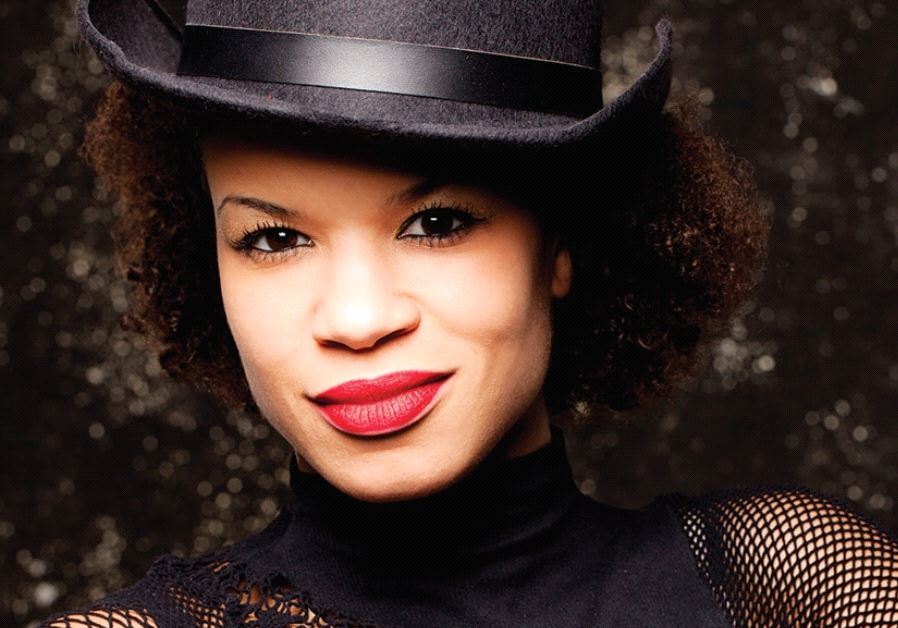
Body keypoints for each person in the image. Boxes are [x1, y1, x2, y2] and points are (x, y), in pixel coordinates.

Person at [41, 0, 898, 626]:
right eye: (273, 239)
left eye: (437, 224)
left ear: (559, 245)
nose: (358, 318)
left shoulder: (793, 586)